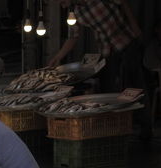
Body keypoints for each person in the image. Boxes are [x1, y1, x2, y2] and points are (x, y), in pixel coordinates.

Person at [48, 0, 151, 139]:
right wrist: (58, 57)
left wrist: (135, 28)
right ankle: (118, 130)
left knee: (136, 87)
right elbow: (73, 36)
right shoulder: (75, 13)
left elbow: (123, 3)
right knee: (112, 90)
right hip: (107, 52)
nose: (61, 4)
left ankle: (145, 128)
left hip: (127, 43)